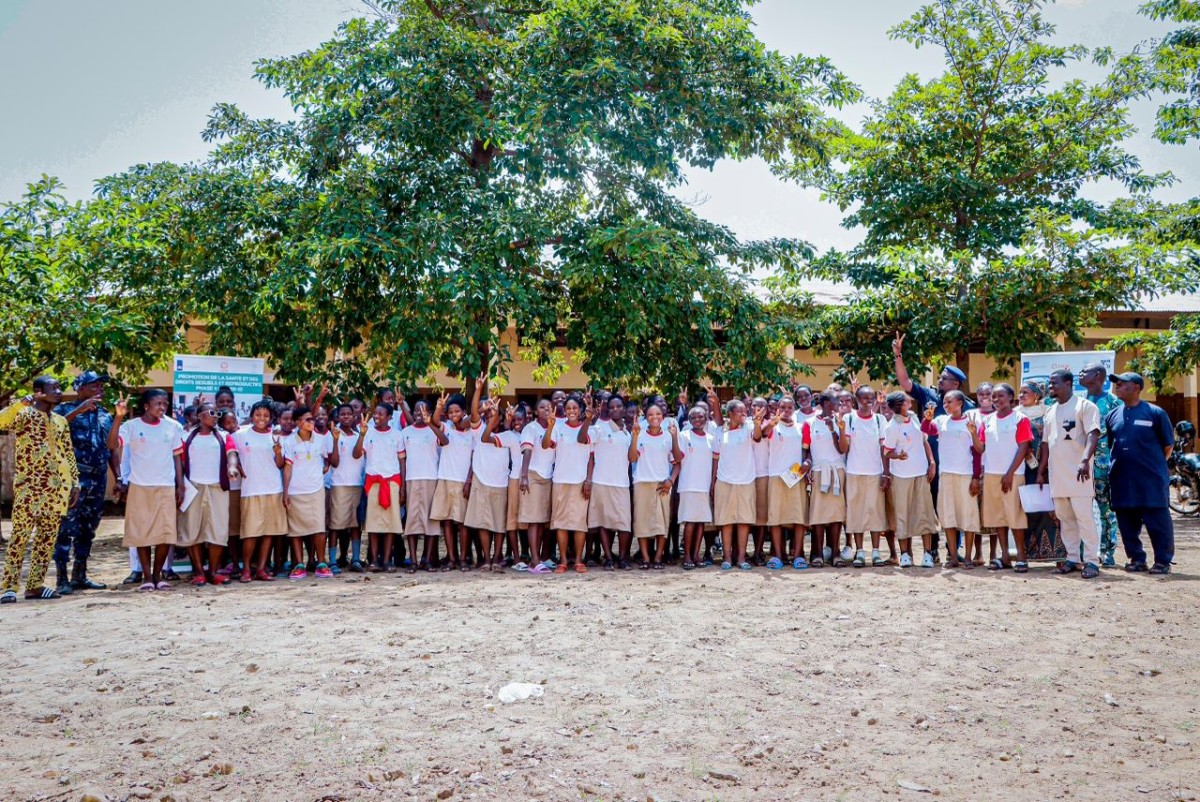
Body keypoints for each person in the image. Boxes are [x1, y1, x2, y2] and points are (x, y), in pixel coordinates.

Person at [892, 331, 974, 561]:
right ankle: (934, 550)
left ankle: (953, 550)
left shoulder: (968, 406)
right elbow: (905, 382)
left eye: (944, 378)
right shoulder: (929, 395)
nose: (939, 380)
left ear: (956, 384)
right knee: (930, 507)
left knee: (950, 508)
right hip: (927, 463)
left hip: (953, 465)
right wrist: (898, 356)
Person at [0, 378, 80, 603]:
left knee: (47, 539)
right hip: (29, 488)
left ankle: (35, 586)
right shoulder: (24, 415)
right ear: (38, 392)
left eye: (58, 388)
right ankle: (9, 586)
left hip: (56, 490)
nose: (59, 392)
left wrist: (75, 483)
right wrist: (19, 404)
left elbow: (68, 453)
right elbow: (1, 422)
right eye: (53, 388)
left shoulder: (61, 421)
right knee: (20, 537)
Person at [110, 389, 185, 591]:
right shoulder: (130, 426)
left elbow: (177, 458)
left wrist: (181, 486)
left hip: (166, 487)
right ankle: (146, 576)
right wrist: (118, 418)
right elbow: (111, 444)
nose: (162, 407)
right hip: (139, 486)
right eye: (158, 404)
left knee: (165, 534)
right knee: (141, 534)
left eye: (165, 404)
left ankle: (158, 575)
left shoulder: (172, 427)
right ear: (146, 406)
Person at [52, 370, 118, 594]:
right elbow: (53, 430)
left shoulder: (105, 415)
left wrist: (117, 477)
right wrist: (79, 410)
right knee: (65, 528)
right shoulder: (62, 411)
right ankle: (61, 578)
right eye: (94, 385)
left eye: (101, 385)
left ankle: (80, 575)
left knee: (88, 528)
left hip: (98, 479)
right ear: (80, 389)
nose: (99, 389)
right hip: (73, 480)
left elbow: (111, 449)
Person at [1105, 372, 1175, 575]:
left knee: (1157, 521)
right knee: (1126, 522)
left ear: (1136, 387)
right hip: (1122, 479)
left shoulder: (1155, 412)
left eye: (1122, 383)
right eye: (1116, 384)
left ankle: (1163, 561)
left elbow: (1167, 446)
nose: (1117, 386)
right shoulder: (1113, 415)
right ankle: (1136, 559)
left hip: (1150, 480)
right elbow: (1113, 444)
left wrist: (1150, 464)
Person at [1038, 370, 1102, 579]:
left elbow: (1093, 433)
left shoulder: (1085, 406)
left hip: (1079, 474)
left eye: (1054, 383)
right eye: (1050, 383)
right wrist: (1042, 471)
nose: (1050, 387)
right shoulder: (1050, 411)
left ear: (1068, 383)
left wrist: (1084, 460)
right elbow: (1046, 443)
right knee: (1065, 519)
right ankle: (1073, 558)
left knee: (1084, 518)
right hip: (1058, 475)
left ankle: (1092, 561)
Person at [925, 390, 985, 569]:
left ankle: (967, 556)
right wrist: (927, 419)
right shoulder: (941, 420)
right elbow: (927, 431)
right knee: (948, 516)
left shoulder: (972, 421)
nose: (946, 405)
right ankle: (952, 556)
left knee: (967, 516)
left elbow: (978, 451)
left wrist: (975, 478)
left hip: (965, 475)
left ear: (960, 403)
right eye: (944, 402)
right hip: (946, 474)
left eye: (950, 401)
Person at [230, 400, 288, 582]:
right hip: (251, 489)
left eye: (265, 415)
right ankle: (247, 569)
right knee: (250, 533)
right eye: (257, 415)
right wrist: (237, 465)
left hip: (273, 488)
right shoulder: (240, 435)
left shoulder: (277, 436)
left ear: (271, 418)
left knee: (268, 532)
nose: (261, 418)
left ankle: (262, 568)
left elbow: (280, 464)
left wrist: (278, 452)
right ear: (252, 415)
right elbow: (231, 452)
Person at [178, 403, 234, 586]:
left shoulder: (224, 436)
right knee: (192, 530)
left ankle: (214, 571)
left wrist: (232, 466)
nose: (216, 416)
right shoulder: (187, 437)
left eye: (218, 413)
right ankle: (199, 572)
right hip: (193, 487)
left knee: (218, 531)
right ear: (200, 416)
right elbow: (180, 461)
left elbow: (232, 453)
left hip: (217, 488)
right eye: (212, 413)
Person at [882, 392, 938, 567]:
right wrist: (898, 455)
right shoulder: (892, 426)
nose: (910, 400)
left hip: (920, 473)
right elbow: (887, 451)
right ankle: (905, 554)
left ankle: (927, 554)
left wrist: (931, 461)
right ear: (900, 405)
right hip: (901, 476)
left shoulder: (914, 418)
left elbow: (924, 441)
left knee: (925, 512)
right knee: (902, 514)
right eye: (906, 399)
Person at [981, 383, 1033, 572]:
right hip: (991, 474)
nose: (996, 400)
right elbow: (981, 447)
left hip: (1013, 474)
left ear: (1011, 398)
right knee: (998, 517)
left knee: (1015, 516)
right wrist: (972, 433)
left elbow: (1023, 447)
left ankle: (1021, 555)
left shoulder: (1020, 419)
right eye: (993, 397)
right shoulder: (987, 420)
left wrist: (1009, 473)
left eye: (1000, 396)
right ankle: (1004, 556)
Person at [282, 406, 336, 579]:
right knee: (295, 530)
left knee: (319, 528)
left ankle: (321, 563)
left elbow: (331, 461)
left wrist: (334, 443)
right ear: (298, 423)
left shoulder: (321, 440)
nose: (312, 422)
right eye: (307, 420)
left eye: (312, 419)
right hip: (296, 491)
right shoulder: (289, 442)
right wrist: (285, 492)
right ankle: (299, 564)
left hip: (316, 489)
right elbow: (288, 467)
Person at [629, 402, 682, 570]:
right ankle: (646, 558)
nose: (654, 417)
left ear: (663, 417)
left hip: (662, 485)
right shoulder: (640, 435)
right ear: (646, 417)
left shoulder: (668, 435)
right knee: (642, 522)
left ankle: (658, 557)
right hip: (642, 483)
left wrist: (671, 480)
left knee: (662, 522)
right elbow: (631, 458)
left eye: (658, 414)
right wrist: (635, 436)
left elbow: (678, 461)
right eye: (650, 415)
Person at [842, 385, 889, 567]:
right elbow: (844, 447)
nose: (868, 401)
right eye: (864, 398)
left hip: (875, 472)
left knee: (876, 512)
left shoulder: (879, 420)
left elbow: (884, 448)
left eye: (871, 398)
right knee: (857, 513)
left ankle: (876, 551)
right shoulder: (849, 419)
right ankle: (860, 551)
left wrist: (886, 473)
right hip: (854, 472)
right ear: (857, 400)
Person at [1079, 363, 1121, 567]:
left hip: (1104, 467)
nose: (1081, 373)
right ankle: (1081, 553)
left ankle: (1107, 551)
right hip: (1081, 467)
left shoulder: (1113, 402)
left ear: (1097, 375)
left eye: (1084, 371)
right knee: (1080, 511)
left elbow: (1119, 434)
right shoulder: (1078, 402)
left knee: (1106, 511)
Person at [545, 394, 592, 573]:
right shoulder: (557, 426)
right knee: (561, 522)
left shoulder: (590, 429)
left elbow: (591, 458)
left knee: (580, 523)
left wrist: (588, 480)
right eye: (569, 408)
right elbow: (545, 444)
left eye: (575, 408)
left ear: (580, 410)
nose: (571, 411)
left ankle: (578, 560)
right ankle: (563, 560)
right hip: (560, 480)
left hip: (580, 481)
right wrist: (549, 427)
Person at [355, 403, 404, 572]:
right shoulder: (368, 432)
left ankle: (388, 559)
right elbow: (356, 454)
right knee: (373, 524)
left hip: (392, 482)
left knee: (390, 524)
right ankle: (374, 559)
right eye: (375, 413)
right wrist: (361, 435)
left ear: (390, 417)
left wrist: (402, 486)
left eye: (381, 414)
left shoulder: (397, 435)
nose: (376, 416)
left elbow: (402, 461)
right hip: (373, 483)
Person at [585, 395, 633, 571]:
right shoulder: (599, 428)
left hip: (622, 483)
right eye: (611, 407)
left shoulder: (628, 431)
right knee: (603, 522)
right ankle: (608, 558)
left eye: (618, 406)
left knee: (624, 523)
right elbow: (583, 439)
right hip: (602, 481)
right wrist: (589, 418)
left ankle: (622, 558)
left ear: (623, 408)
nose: (615, 410)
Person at [761, 396, 808, 570]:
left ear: (794, 409)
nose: (786, 410)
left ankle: (797, 555)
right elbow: (763, 433)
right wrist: (772, 422)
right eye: (783, 407)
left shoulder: (801, 427)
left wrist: (807, 463)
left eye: (790, 408)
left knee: (798, 518)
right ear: (777, 408)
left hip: (796, 477)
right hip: (776, 476)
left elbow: (806, 451)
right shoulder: (773, 426)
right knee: (776, 518)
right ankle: (778, 555)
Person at [714, 399, 761, 571]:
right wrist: (713, 482)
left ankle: (741, 557)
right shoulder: (721, 432)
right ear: (730, 414)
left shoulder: (749, 427)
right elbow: (715, 459)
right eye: (739, 412)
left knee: (743, 521)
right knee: (726, 521)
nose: (744, 414)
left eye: (745, 411)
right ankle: (726, 557)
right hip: (724, 481)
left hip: (746, 481)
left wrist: (757, 424)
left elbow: (757, 436)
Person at [430, 392, 476, 570]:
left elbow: (474, 458)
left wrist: (469, 480)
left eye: (457, 411)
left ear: (464, 412)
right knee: (447, 521)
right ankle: (452, 558)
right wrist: (439, 407)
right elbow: (434, 422)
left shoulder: (472, 431)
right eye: (450, 412)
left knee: (462, 523)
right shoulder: (446, 427)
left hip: (462, 481)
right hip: (445, 479)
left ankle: (464, 558)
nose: (453, 415)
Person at [464, 398, 510, 571]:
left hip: (501, 483)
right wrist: (478, 389)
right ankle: (487, 558)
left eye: (495, 416)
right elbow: (475, 414)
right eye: (489, 416)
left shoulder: (507, 435)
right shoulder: (479, 430)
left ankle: (497, 557)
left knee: (499, 525)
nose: (491, 418)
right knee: (483, 523)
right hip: (481, 481)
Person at [802, 391, 847, 568]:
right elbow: (806, 450)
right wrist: (806, 468)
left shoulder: (841, 422)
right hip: (819, 471)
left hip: (837, 471)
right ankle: (817, 553)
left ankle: (835, 553)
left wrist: (834, 429)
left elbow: (842, 449)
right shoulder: (809, 423)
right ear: (827, 403)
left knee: (836, 515)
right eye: (837, 401)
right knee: (818, 514)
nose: (839, 404)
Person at [1018, 379, 1060, 561]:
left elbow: (1050, 443)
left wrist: (1042, 470)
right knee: (1027, 510)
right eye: (1019, 392)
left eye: (1025, 392)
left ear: (1037, 395)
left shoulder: (1048, 414)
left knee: (1049, 511)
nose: (1021, 396)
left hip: (1045, 470)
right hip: (1021, 470)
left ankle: (1056, 554)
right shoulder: (1014, 415)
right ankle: (1028, 553)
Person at [399, 400, 441, 571]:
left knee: (430, 522)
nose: (419, 413)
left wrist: (431, 422)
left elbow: (445, 442)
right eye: (416, 410)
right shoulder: (405, 432)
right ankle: (414, 560)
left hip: (431, 478)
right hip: (411, 480)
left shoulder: (434, 430)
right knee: (412, 522)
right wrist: (402, 485)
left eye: (423, 410)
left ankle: (427, 559)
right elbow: (402, 460)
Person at [677, 405, 719, 569]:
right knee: (690, 522)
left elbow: (715, 461)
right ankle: (687, 555)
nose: (697, 420)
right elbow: (678, 458)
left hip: (704, 486)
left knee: (701, 522)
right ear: (689, 420)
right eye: (693, 417)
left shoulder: (711, 438)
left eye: (701, 417)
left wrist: (712, 483)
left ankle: (696, 555)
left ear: (707, 417)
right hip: (688, 485)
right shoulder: (683, 436)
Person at [519, 398, 557, 573]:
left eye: (549, 407)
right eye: (542, 407)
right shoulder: (530, 428)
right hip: (533, 475)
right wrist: (525, 475)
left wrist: (550, 426)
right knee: (534, 520)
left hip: (548, 477)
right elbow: (529, 450)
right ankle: (534, 560)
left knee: (542, 521)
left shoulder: (554, 427)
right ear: (535, 411)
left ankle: (541, 557)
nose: (546, 409)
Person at [328, 403, 366, 571]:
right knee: (336, 525)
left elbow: (357, 455)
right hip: (339, 485)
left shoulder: (359, 434)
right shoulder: (333, 435)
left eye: (348, 414)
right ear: (337, 417)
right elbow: (334, 462)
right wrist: (335, 441)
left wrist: (362, 436)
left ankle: (356, 558)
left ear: (354, 416)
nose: (345, 417)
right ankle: (332, 560)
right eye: (342, 414)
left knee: (355, 523)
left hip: (357, 484)